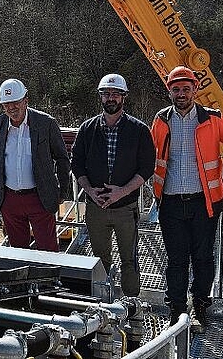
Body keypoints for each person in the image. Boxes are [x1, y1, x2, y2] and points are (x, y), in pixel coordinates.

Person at [150, 65, 223, 331]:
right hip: (171, 201)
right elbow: (148, 153)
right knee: (176, 259)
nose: (181, 93)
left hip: (204, 202)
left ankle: (199, 308)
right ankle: (176, 311)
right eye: (176, 89)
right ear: (169, 91)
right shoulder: (161, 120)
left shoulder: (211, 119)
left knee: (202, 258)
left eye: (186, 89)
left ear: (195, 89)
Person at [71, 74, 155, 296]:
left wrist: (121, 192)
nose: (111, 98)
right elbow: (76, 163)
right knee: (99, 261)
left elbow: (146, 168)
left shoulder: (138, 130)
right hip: (95, 208)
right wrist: (89, 190)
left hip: (126, 209)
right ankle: (102, 305)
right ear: (100, 97)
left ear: (124, 97)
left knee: (130, 260)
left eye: (115, 94)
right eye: (106, 94)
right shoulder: (88, 129)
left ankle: (131, 305)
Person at [0, 78, 70, 252]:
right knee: (17, 251)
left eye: (15, 103)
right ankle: (21, 280)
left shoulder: (46, 123)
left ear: (26, 100)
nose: (11, 108)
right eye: (6, 105)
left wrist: (62, 190)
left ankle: (48, 280)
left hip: (40, 198)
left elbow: (62, 158)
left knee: (48, 250)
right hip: (9, 199)